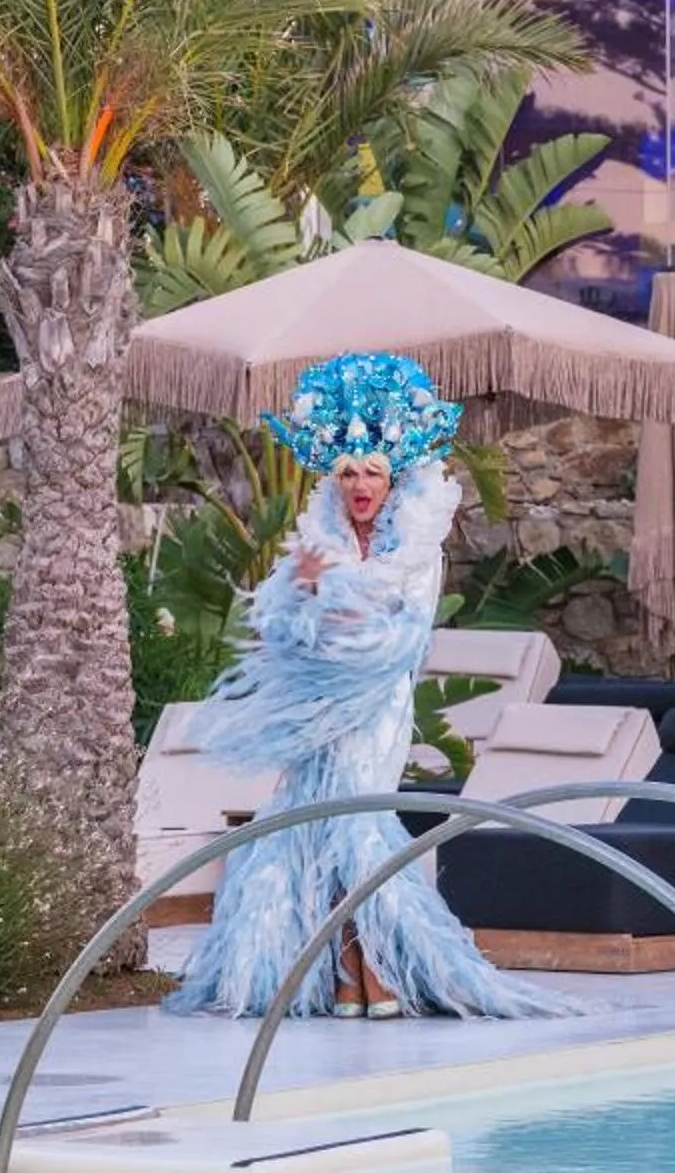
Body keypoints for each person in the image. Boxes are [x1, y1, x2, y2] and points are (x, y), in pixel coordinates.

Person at [166, 353, 580, 1023]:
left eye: (373, 473)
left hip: (376, 708)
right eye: (349, 473)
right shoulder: (317, 543)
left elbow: (398, 635)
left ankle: (374, 967)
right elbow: (282, 631)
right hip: (318, 714)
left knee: (358, 829)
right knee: (320, 832)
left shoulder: (417, 549)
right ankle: (345, 972)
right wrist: (308, 596)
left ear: (395, 479)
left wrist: (330, 605)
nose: (360, 485)